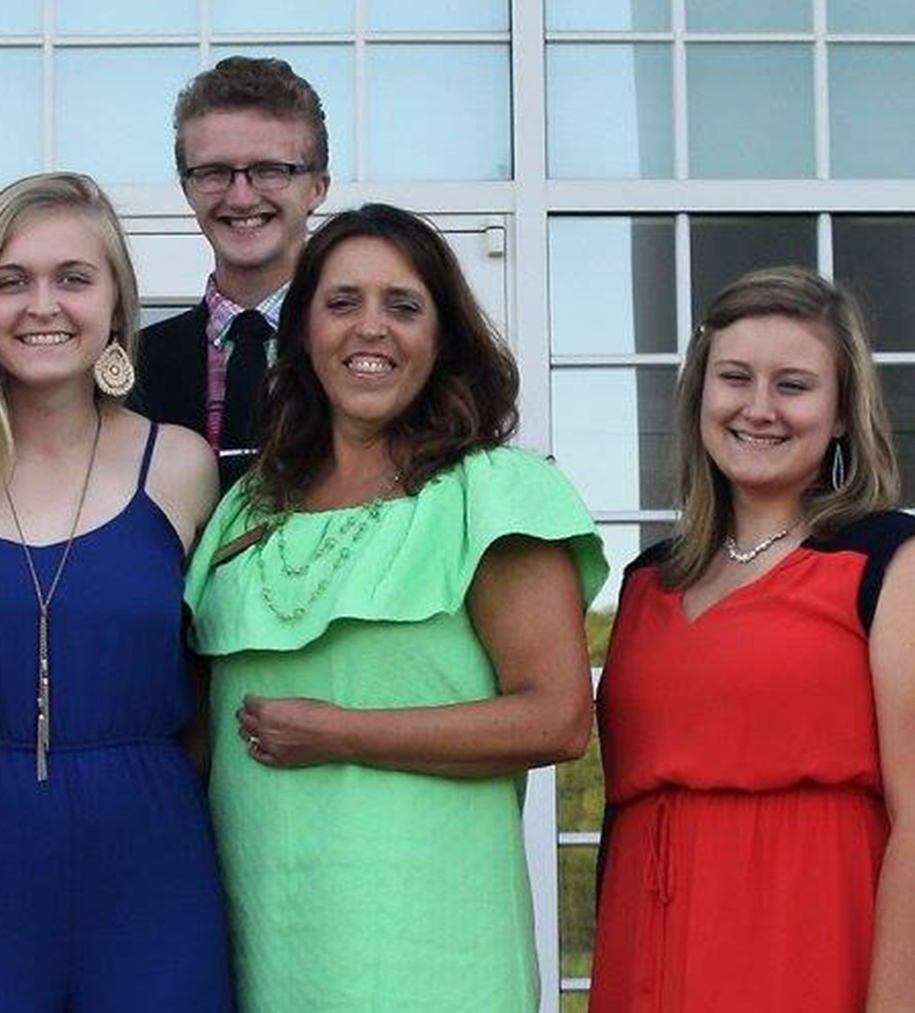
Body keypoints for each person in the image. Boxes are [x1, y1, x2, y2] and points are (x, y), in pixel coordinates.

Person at [184, 203, 607, 1012]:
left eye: (403, 305)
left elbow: (557, 718)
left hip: (431, 949)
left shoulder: (492, 492)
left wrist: (342, 732)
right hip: (267, 937)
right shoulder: (246, 507)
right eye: (342, 303)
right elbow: (198, 731)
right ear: (304, 332)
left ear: (443, 336)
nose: (370, 328)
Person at [0, 172, 232, 1012]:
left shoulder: (179, 464)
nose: (43, 305)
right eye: (12, 281)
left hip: (150, 861)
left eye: (74, 278)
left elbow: (209, 686)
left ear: (116, 301)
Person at [589, 267, 915, 1013]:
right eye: (735, 377)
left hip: (808, 959)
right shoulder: (644, 584)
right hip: (646, 968)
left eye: (793, 385)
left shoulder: (899, 564)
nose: (758, 408)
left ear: (841, 413)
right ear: (701, 393)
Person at [135, 56, 331, 490]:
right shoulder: (134, 366)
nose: (241, 198)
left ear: (318, 188)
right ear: (187, 189)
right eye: (214, 173)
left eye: (270, 171)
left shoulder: (364, 349)